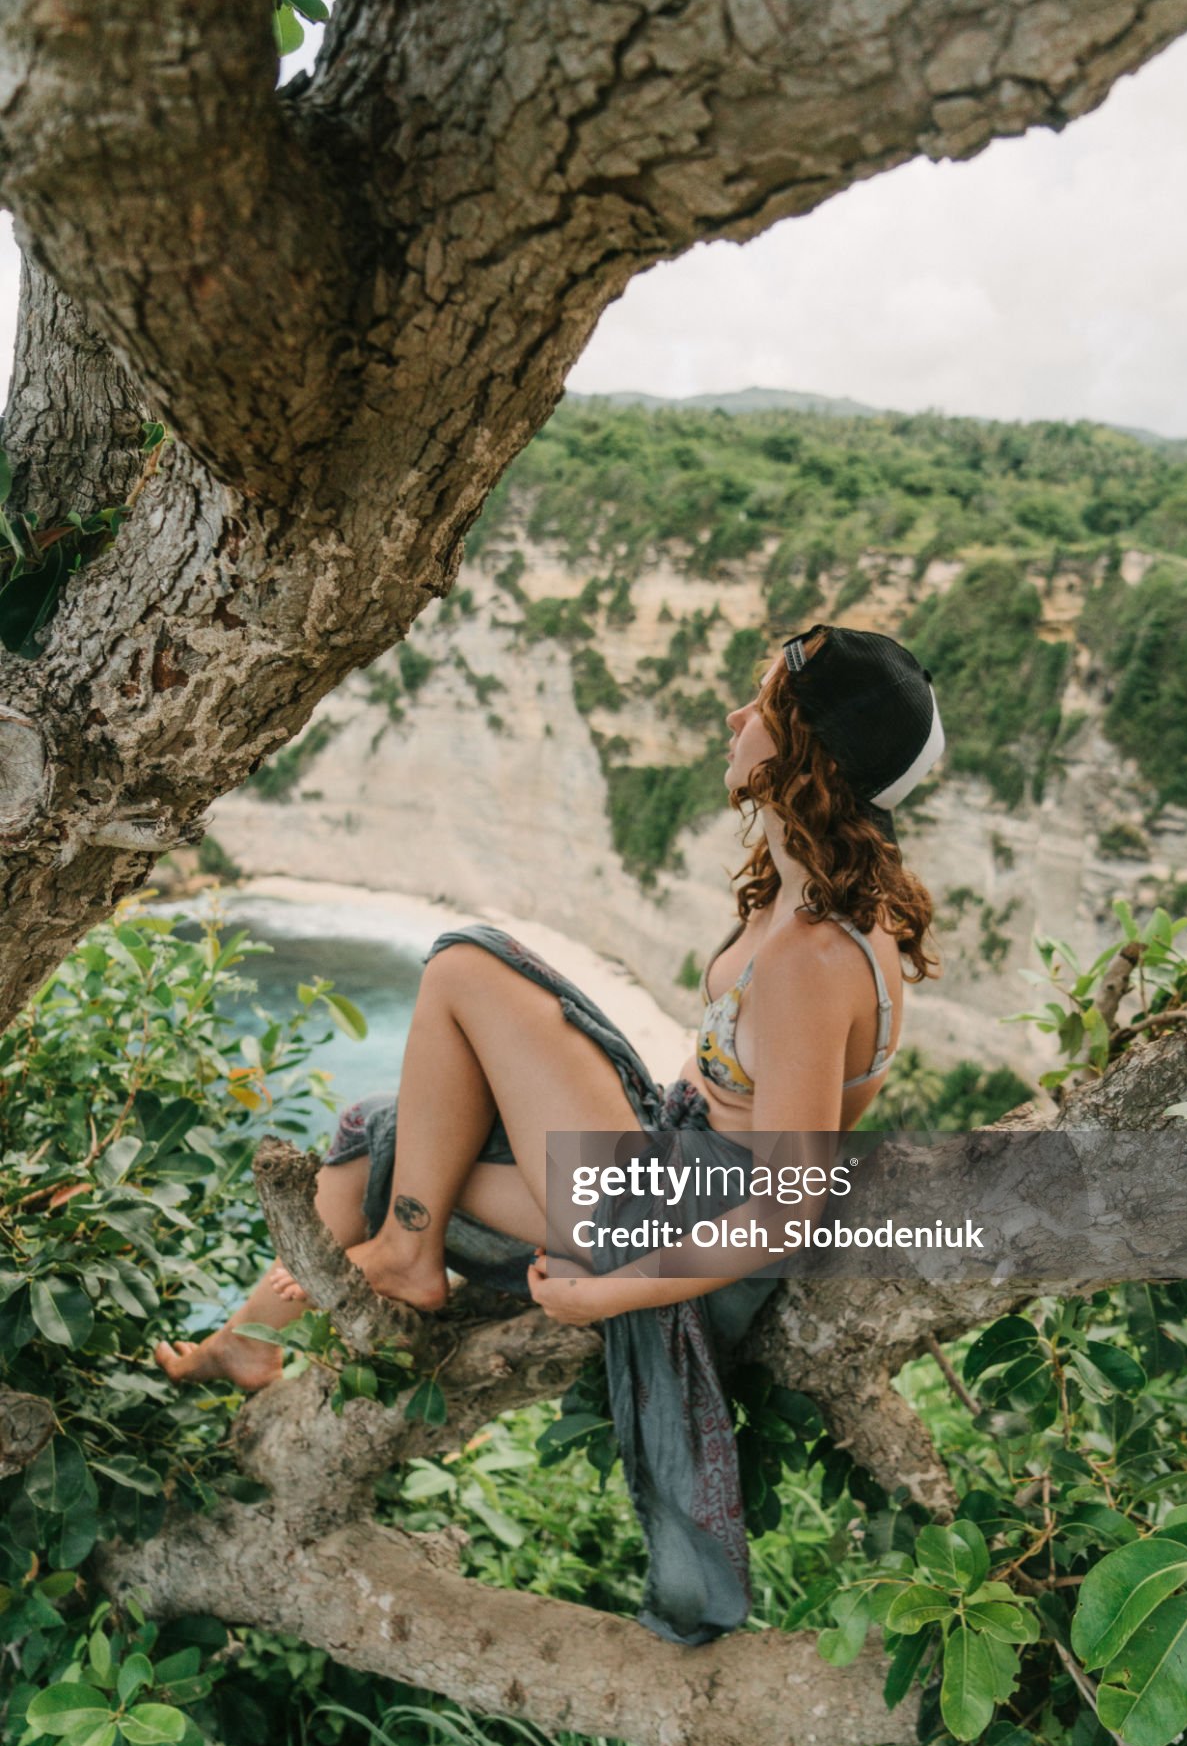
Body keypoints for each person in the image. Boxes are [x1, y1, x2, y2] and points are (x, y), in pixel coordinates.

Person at [154, 620, 946, 1642]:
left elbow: (786, 1203)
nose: (736, 716)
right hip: (666, 1173)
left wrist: (604, 1291)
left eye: (764, 708)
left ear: (810, 756)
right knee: (388, 1134)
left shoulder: (810, 960)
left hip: (668, 1220)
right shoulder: (819, 892)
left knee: (463, 962)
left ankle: (397, 1258)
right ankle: (254, 1342)